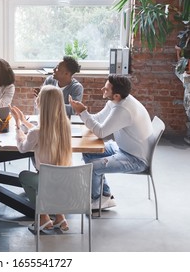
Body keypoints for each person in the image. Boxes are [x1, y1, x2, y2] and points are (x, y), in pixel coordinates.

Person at [69, 74, 154, 210]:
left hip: (136, 159)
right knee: (88, 151)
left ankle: (97, 199)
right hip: (123, 149)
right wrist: (82, 113)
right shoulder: (116, 101)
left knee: (93, 167)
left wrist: (83, 113)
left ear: (116, 95)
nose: (103, 89)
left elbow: (101, 132)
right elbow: (98, 119)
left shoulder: (123, 109)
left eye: (107, 89)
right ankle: (105, 195)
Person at [10, 85, 72, 232]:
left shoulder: (36, 132)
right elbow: (44, 132)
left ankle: (43, 216)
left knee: (24, 176)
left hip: (46, 181)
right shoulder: (65, 127)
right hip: (65, 181)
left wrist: (18, 126)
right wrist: (25, 121)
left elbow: (22, 148)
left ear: (41, 104)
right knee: (48, 180)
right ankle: (59, 216)